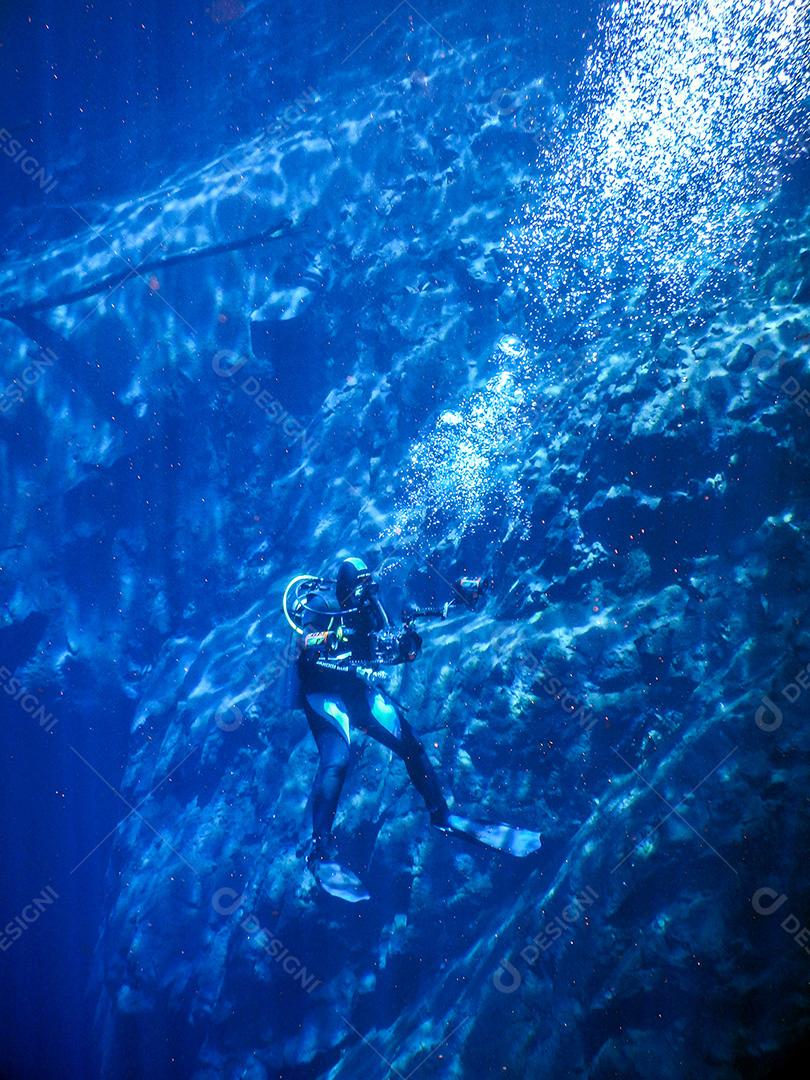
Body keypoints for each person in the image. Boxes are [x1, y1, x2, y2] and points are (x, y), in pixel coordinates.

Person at [287, 557, 541, 900]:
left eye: (368, 590)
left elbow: (387, 644)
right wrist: (328, 638)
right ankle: (319, 851)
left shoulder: (370, 607)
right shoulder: (321, 604)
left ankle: (442, 815)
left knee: (411, 746)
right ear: (345, 589)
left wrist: (405, 647)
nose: (366, 597)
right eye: (359, 591)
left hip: (355, 688)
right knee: (337, 759)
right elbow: (302, 643)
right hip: (322, 692)